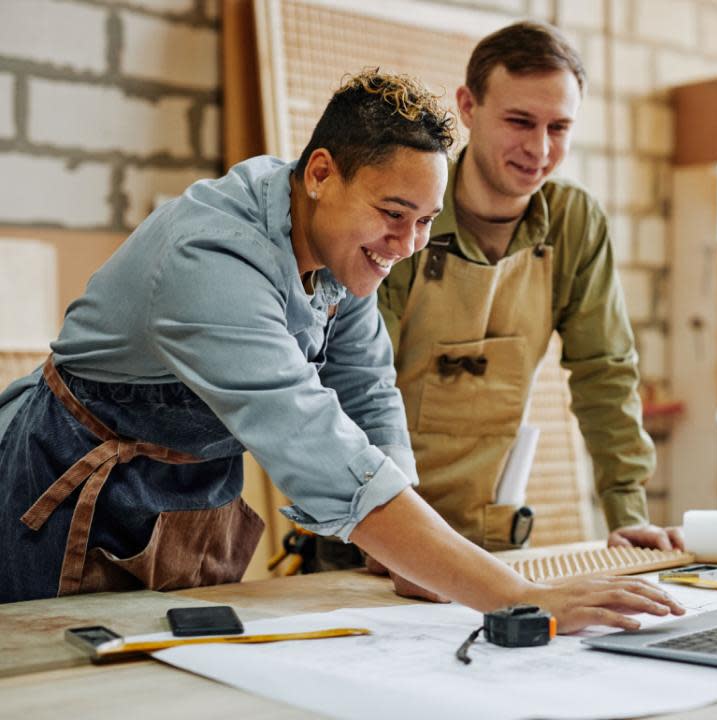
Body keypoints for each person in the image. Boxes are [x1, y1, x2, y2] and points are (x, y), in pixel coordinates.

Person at [0, 69, 682, 633]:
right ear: (322, 173)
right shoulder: (211, 259)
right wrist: (516, 595)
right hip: (73, 496)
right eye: (393, 215)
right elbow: (320, 449)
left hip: (187, 501)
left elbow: (366, 389)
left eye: (424, 222)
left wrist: (408, 551)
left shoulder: (334, 244)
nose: (409, 245)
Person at [374, 21, 682, 565]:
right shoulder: (405, 209)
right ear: (468, 106)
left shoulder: (574, 223)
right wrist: (382, 527)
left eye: (559, 127)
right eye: (520, 122)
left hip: (490, 542)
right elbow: (359, 382)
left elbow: (604, 373)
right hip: (372, 535)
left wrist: (628, 513)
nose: (539, 149)